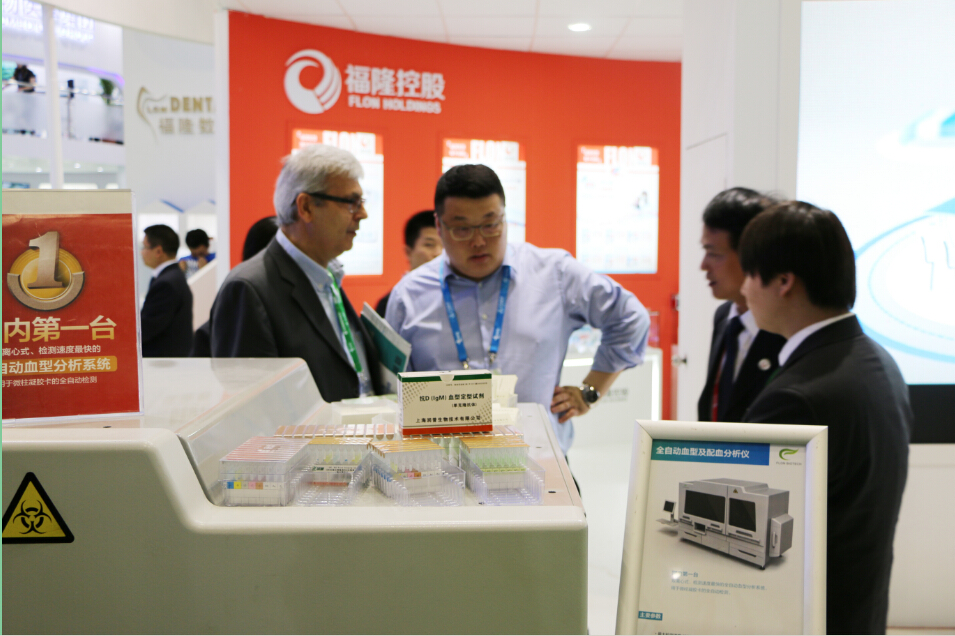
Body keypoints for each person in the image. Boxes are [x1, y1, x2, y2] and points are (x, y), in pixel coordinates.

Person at [386, 164, 650, 455]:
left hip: (539, 461)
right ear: (439, 226)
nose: (478, 241)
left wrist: (591, 391)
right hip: (445, 467)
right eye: (462, 229)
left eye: (490, 225)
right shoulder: (408, 297)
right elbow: (390, 392)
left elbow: (630, 317)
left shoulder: (554, 274)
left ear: (505, 217)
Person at [739, 201, 910, 635]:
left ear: (783, 282)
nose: (743, 290)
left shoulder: (798, 397)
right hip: (859, 610)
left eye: (749, 274)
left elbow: (747, 536)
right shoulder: (877, 362)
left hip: (806, 618)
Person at [208, 144, 382, 401]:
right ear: (306, 207)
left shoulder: (327, 276)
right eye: (351, 203)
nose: (362, 214)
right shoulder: (249, 289)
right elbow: (252, 408)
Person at [697, 188, 786, 422]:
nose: (703, 265)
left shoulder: (785, 328)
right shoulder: (724, 317)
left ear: (752, 254)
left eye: (714, 253)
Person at [375, 210, 443, 316]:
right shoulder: (391, 302)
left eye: (445, 245)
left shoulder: (458, 296)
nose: (439, 253)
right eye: (429, 244)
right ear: (408, 252)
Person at [140, 225, 193, 357]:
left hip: (162, 360)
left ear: (158, 251)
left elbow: (147, 327)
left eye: (144, 247)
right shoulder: (172, 276)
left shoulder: (166, 283)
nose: (141, 253)